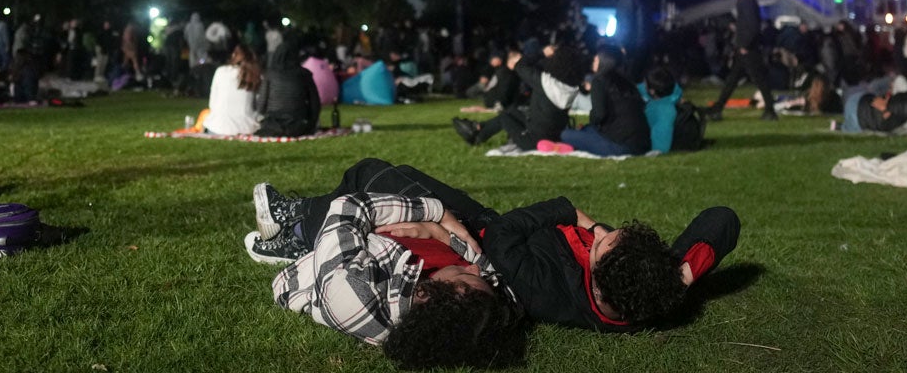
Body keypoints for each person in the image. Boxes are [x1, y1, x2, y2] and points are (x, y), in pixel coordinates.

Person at [247, 159, 740, 335]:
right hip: (481, 241)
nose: (602, 231)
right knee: (387, 183)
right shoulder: (653, 288)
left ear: (597, 273)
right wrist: (681, 273)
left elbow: (503, 236)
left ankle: (296, 230)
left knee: (369, 175)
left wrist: (573, 214)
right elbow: (723, 220)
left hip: (483, 232)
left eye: (604, 242)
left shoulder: (540, 286)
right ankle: (306, 233)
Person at [244, 161, 526, 369]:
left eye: (465, 278)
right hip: (422, 238)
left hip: (356, 241)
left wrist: (436, 213)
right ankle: (299, 227)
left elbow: (349, 208)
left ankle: (297, 230)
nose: (475, 270)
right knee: (403, 175)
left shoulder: (355, 294)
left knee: (365, 175)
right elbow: (489, 270)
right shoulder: (475, 313)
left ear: (428, 294)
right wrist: (438, 232)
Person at [452, 45, 587, 150]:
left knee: (505, 117)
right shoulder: (571, 88)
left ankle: (475, 133)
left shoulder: (546, 83)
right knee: (512, 111)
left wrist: (542, 53)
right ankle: (477, 131)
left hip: (533, 140)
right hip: (554, 136)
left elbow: (520, 66)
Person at [706, 0, 777, 121]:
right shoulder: (747, 0)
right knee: (735, 79)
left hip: (747, 48)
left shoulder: (746, 1)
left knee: (756, 79)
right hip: (745, 47)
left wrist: (745, 44)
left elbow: (752, 25)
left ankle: (770, 110)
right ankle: (718, 108)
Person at [561, 46, 651, 156]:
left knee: (563, 134)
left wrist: (591, 119)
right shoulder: (627, 82)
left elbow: (599, 114)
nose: (594, 60)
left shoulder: (599, 81)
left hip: (619, 146)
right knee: (587, 129)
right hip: (641, 145)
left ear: (604, 61)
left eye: (597, 58)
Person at [256, 39, 322, 137]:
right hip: (298, 126)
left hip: (273, 125)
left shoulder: (270, 74)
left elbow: (261, 106)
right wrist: (311, 124)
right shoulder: (304, 74)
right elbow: (315, 103)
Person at [202, 44, 262, 136]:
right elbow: (259, 106)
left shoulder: (221, 71)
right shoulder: (256, 76)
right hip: (246, 128)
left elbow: (212, 104)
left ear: (234, 55)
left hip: (217, 127)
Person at [614, 0, 654, 83]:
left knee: (629, 80)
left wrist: (621, 43)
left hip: (631, 46)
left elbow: (624, 24)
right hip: (646, 45)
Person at [639, 67, 681, 153]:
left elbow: (660, 146)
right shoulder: (673, 94)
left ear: (652, 91)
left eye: (645, 83)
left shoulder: (662, 111)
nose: (643, 85)